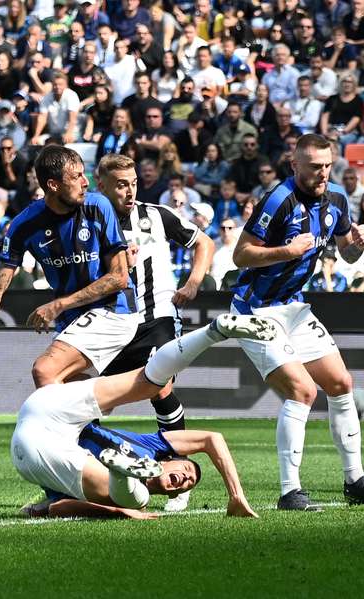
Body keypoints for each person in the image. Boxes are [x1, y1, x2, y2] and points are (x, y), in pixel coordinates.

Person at [229, 133, 364, 510]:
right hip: (256, 310)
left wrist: (359, 244)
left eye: (326, 166)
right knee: (302, 391)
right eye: (313, 167)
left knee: (341, 383)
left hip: (294, 305)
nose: (322, 174)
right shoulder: (278, 200)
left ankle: (355, 480)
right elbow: (241, 255)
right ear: (295, 165)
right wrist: (285, 251)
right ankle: (290, 491)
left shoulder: (336, 197)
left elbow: (347, 255)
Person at [14, 313, 275, 520]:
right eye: (186, 470)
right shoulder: (152, 446)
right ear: (170, 459)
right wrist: (236, 495)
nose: (184, 479)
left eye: (186, 486)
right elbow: (212, 439)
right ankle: (215, 331)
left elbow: (58, 507)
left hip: (39, 448)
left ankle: (122, 476)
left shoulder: (136, 489)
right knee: (150, 382)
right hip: (50, 412)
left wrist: (116, 511)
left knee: (137, 497)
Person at [0, 146, 137, 389]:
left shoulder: (98, 206)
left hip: (113, 308)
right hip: (71, 317)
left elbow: (119, 278)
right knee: (61, 397)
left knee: (44, 371)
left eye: (84, 174)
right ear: (53, 185)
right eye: (76, 177)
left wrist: (58, 305)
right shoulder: (25, 224)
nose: (85, 182)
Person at [95, 153, 214, 512]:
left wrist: (193, 282)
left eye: (133, 183)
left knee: (159, 384)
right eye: (120, 184)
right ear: (101, 185)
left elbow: (204, 243)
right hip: (113, 323)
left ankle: (179, 474)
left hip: (159, 317)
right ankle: (80, 472)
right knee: (87, 399)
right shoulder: (90, 220)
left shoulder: (157, 215)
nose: (129, 191)